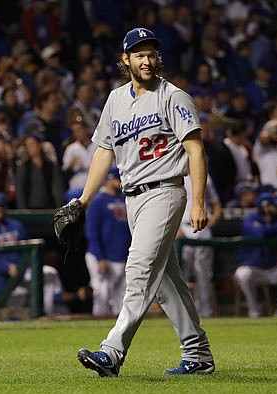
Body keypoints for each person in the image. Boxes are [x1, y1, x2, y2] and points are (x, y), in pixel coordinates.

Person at [75, 27, 214, 377]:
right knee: (166, 282)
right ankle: (198, 356)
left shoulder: (174, 96)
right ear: (126, 59)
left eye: (151, 53)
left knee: (138, 270)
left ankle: (111, 352)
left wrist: (198, 201)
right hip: (133, 197)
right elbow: (104, 153)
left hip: (165, 191)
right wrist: (83, 201)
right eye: (139, 54)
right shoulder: (116, 100)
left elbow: (195, 150)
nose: (147, 60)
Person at [0, 192, 65, 315]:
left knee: (49, 273)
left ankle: (47, 314)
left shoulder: (16, 226)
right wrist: (7, 267)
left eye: (2, 205)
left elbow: (28, 250)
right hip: (0, 282)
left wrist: (23, 265)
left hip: (22, 274)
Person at [84, 167, 131, 316]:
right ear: (110, 179)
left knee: (123, 300)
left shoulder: (126, 199)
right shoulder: (98, 202)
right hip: (102, 256)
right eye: (119, 178)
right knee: (101, 295)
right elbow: (92, 233)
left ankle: (118, 335)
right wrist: (100, 257)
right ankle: (97, 330)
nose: (121, 182)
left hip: (122, 256)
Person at [178, 173, 222, 318]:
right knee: (181, 273)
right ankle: (182, 312)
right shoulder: (176, 173)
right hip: (183, 225)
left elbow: (216, 202)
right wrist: (175, 228)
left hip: (203, 227)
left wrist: (215, 216)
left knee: (203, 274)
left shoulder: (205, 175)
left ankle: (205, 311)